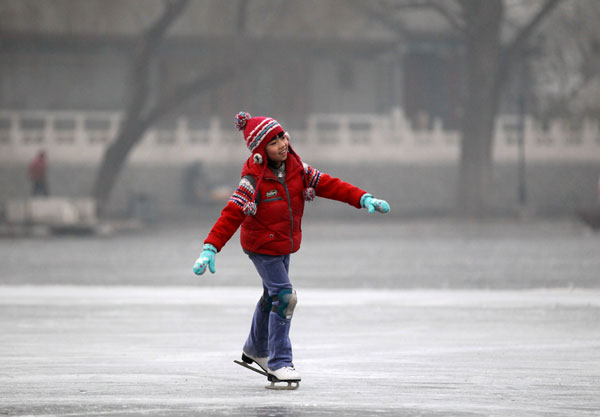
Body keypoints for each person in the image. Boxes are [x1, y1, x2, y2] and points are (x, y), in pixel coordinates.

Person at [192, 112, 390, 385]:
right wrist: (210, 248)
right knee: (285, 297)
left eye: (282, 137)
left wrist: (363, 198)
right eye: (273, 142)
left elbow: (331, 185)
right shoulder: (253, 180)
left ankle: (255, 348)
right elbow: (231, 214)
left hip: (283, 244)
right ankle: (279, 362)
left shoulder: (298, 169)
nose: (281, 144)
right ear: (261, 150)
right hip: (261, 246)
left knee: (271, 295)